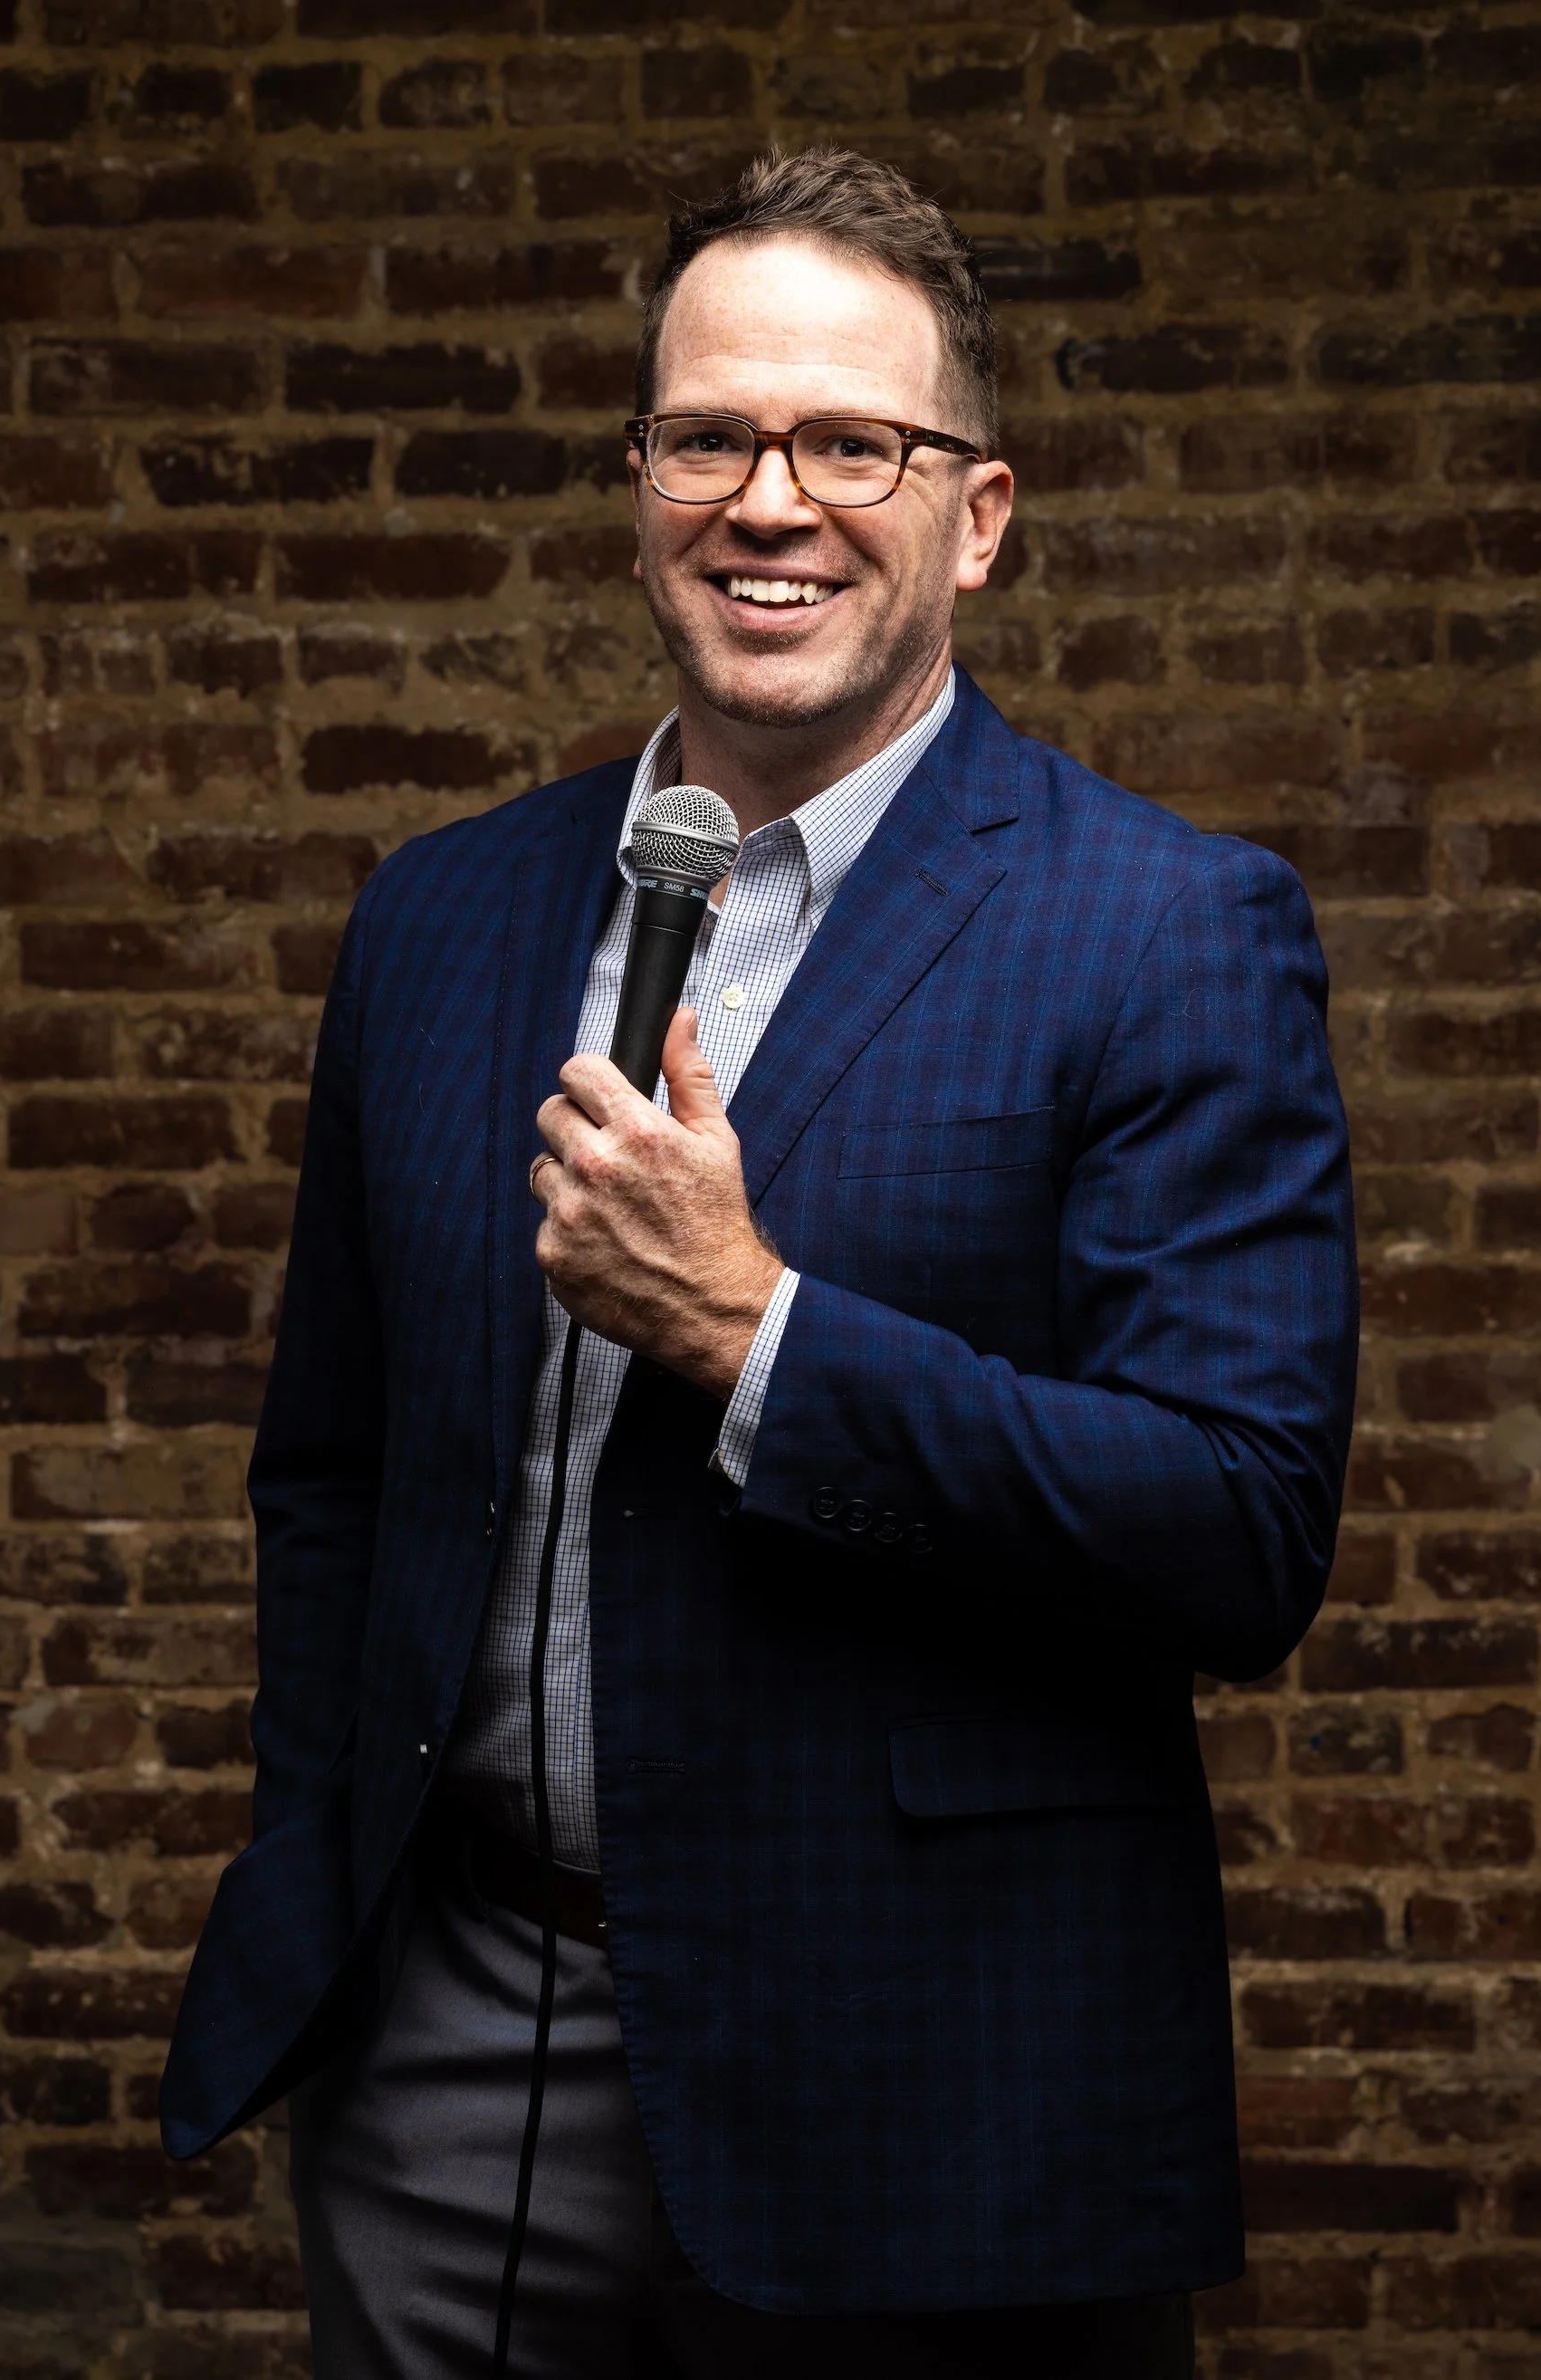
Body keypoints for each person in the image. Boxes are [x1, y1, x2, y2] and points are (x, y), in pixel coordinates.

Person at [160, 147, 1357, 2379]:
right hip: (445, 2056)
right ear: (642, 491)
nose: (768, 502)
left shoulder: (1166, 929)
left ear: (977, 517)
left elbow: (1240, 1525)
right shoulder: (438, 915)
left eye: (850, 446)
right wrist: (328, 1877)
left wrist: (756, 1331)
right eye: (705, 437)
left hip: (932, 2085)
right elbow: (333, 1474)